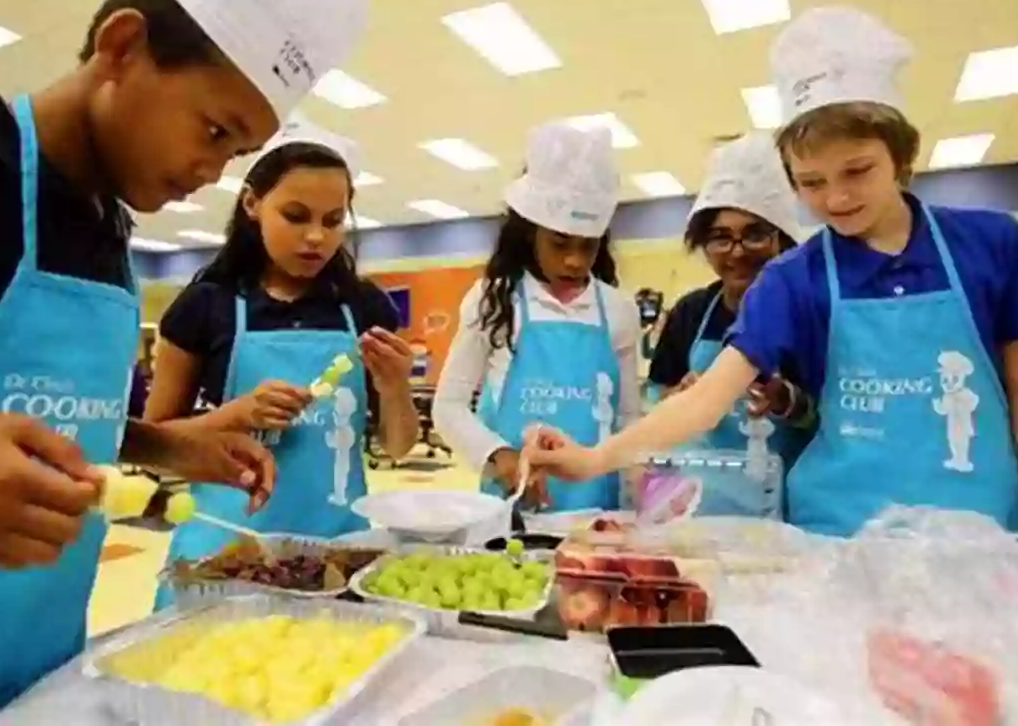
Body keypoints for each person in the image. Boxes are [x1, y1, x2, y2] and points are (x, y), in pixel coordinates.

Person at [0, 0, 369, 720]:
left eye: (238, 150)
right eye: (214, 131)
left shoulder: (108, 225)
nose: (211, 173)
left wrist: (164, 443)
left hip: (35, 679)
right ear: (122, 46)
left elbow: (45, 416)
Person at [526, 6, 1018, 576]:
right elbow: (703, 400)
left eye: (857, 171)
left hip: (981, 529)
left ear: (903, 156)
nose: (836, 199)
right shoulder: (792, 277)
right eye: (811, 182)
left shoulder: (990, 243)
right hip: (839, 539)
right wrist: (595, 458)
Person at [147, 117, 418, 607]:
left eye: (333, 220)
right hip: (225, 551)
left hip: (337, 554)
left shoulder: (364, 307)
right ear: (252, 203)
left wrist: (396, 387)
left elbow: (398, 447)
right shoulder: (204, 307)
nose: (316, 236)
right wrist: (237, 415)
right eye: (296, 215)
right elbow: (152, 442)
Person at [432, 121, 641, 512]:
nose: (574, 260)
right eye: (559, 243)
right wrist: (500, 457)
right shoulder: (492, 301)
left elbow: (628, 419)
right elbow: (448, 406)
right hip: (512, 508)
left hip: (598, 509)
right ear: (529, 234)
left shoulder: (618, 310)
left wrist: (638, 502)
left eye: (588, 246)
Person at [641, 132, 813, 519]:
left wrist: (785, 401)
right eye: (720, 238)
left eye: (754, 234)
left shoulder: (808, 314)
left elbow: (826, 418)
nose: (736, 252)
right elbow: (654, 404)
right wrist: (677, 399)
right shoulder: (691, 312)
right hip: (699, 508)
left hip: (783, 510)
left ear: (781, 238)